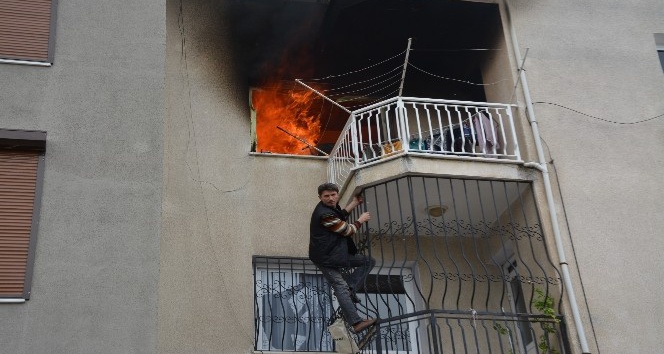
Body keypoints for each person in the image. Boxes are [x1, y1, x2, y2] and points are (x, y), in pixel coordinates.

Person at [309, 182, 377, 333]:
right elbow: (346, 230)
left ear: (338, 195)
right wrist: (361, 219)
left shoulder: (330, 209)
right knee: (340, 286)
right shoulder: (324, 214)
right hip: (325, 258)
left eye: (333, 195)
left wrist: (354, 202)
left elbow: (340, 215)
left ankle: (351, 288)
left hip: (334, 254)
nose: (331, 198)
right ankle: (356, 323)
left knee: (368, 262)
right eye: (326, 196)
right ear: (320, 197)